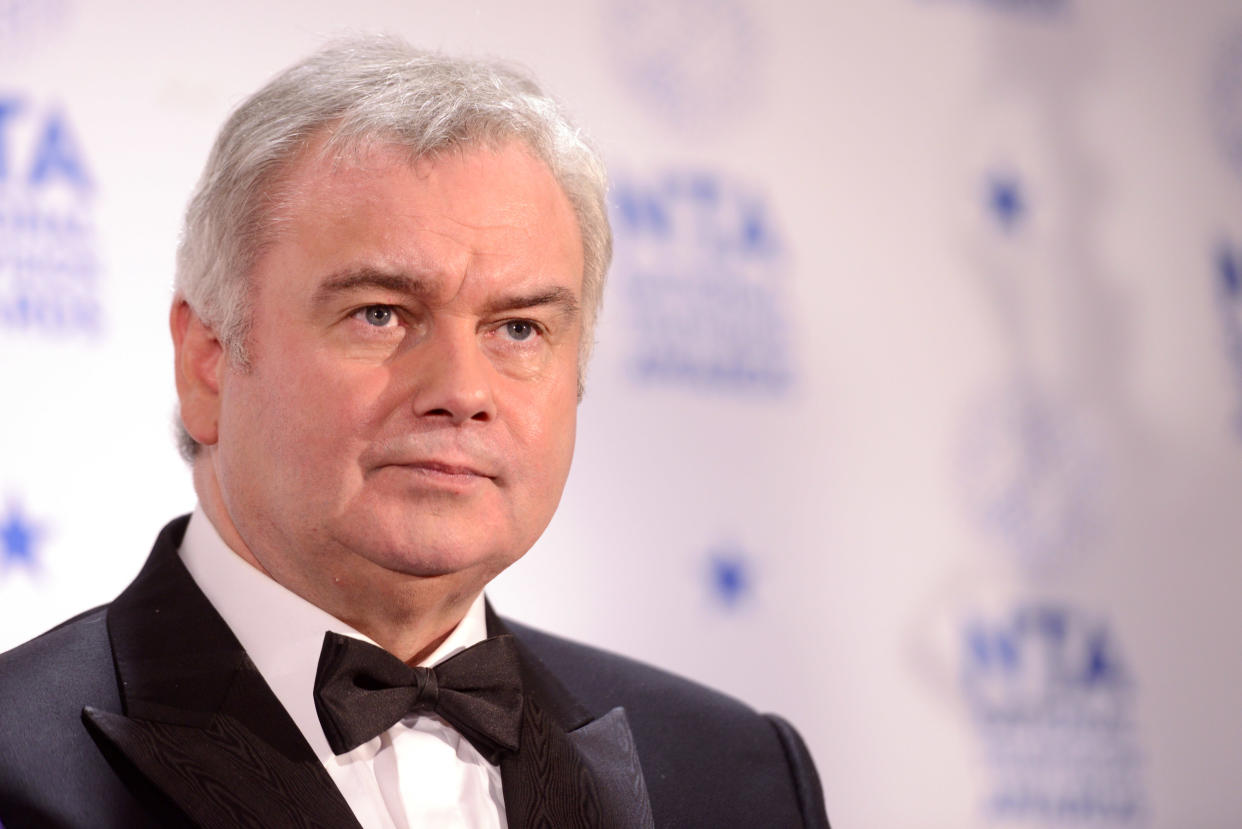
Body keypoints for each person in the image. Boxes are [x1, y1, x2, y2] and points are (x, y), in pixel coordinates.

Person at [0, 36, 829, 828]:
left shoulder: (735, 773)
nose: (463, 392)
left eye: (518, 328)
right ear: (209, 360)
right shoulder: (18, 766)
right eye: (381, 314)